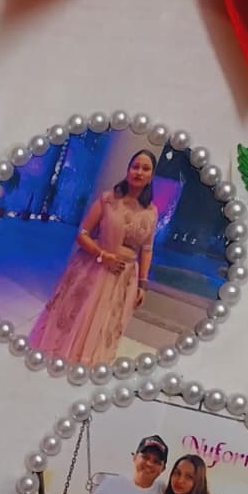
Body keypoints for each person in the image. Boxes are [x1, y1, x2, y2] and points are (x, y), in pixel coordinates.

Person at [27, 150, 158, 368]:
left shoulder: (152, 212)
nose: (139, 172)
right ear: (128, 170)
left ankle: (87, 366)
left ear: (151, 176)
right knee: (79, 319)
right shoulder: (108, 200)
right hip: (94, 270)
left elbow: (146, 249)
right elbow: (82, 234)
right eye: (135, 166)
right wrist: (102, 255)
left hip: (123, 278)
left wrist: (143, 285)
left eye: (145, 168)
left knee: (103, 325)